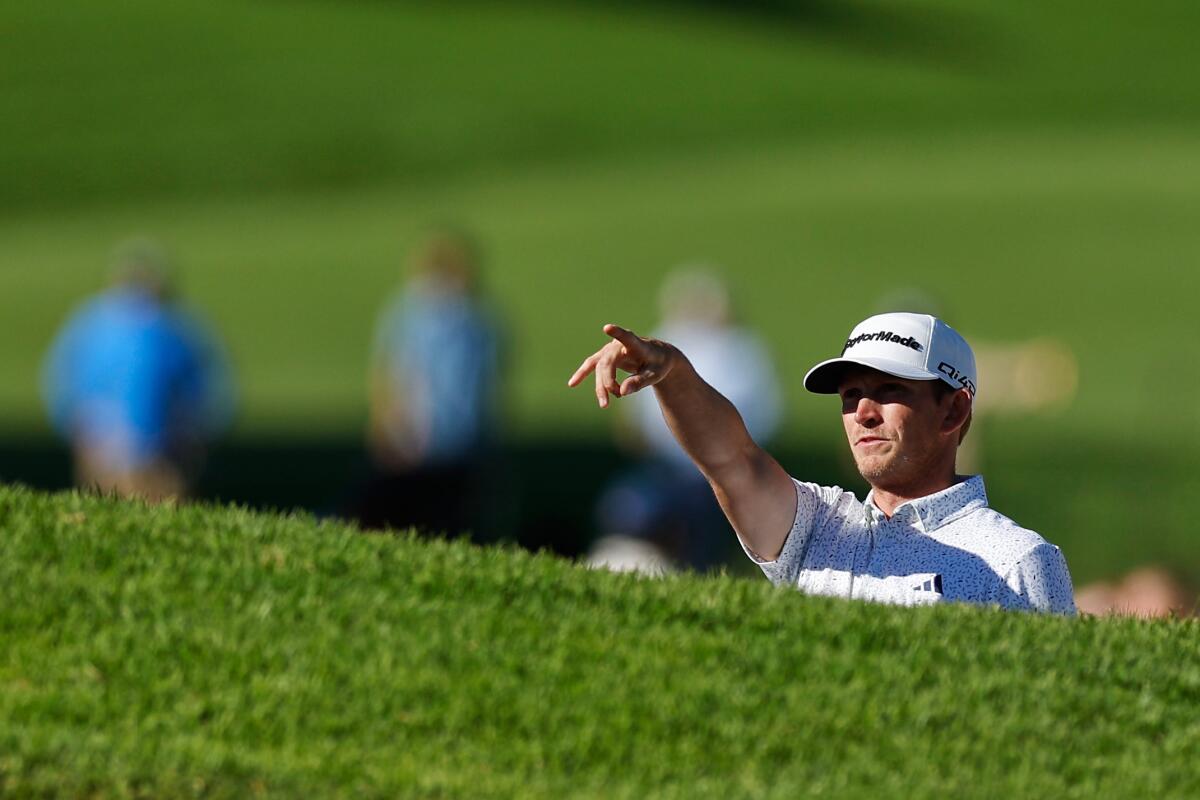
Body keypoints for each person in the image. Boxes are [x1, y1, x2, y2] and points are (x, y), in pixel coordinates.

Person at [569, 311, 1076, 613]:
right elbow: (732, 461)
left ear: (955, 409)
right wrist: (670, 372)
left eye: (889, 391)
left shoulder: (1019, 559)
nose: (863, 413)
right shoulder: (820, 526)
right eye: (851, 395)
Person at [588, 267, 782, 573]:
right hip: (661, 465)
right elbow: (632, 418)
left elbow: (762, 417)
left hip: (716, 470)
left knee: (700, 531)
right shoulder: (664, 339)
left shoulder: (740, 351)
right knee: (626, 507)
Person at [41, 239, 234, 501]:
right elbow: (209, 394)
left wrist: (78, 433)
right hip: (163, 454)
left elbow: (61, 387)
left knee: (103, 521)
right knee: (165, 523)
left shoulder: (87, 321)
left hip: (102, 448)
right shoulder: (176, 326)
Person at [355, 229, 502, 536]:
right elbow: (389, 376)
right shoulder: (412, 313)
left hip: (453, 446)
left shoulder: (477, 321)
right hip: (413, 445)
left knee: (444, 525)